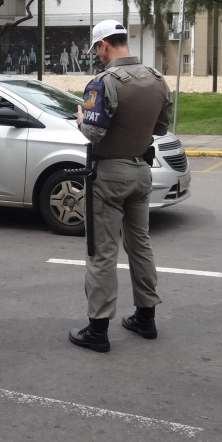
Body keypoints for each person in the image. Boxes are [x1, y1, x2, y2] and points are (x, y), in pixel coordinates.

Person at [69, 20, 172, 352]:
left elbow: (94, 133)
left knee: (102, 252)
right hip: (142, 172)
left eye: (96, 51)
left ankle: (97, 330)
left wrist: (81, 119)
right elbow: (159, 127)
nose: (97, 57)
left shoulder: (102, 83)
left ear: (103, 46)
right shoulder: (156, 80)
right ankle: (146, 317)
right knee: (140, 245)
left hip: (109, 175)